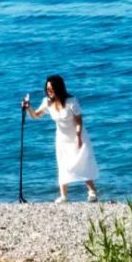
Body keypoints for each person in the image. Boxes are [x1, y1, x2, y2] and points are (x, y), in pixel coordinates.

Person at [22, 74, 99, 202]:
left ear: (59, 88)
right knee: (62, 164)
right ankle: (64, 196)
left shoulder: (71, 102)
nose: (49, 91)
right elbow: (35, 115)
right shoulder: (47, 102)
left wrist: (79, 137)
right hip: (62, 138)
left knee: (81, 162)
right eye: (47, 89)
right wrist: (28, 107)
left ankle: (92, 191)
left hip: (77, 136)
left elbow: (79, 121)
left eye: (51, 89)